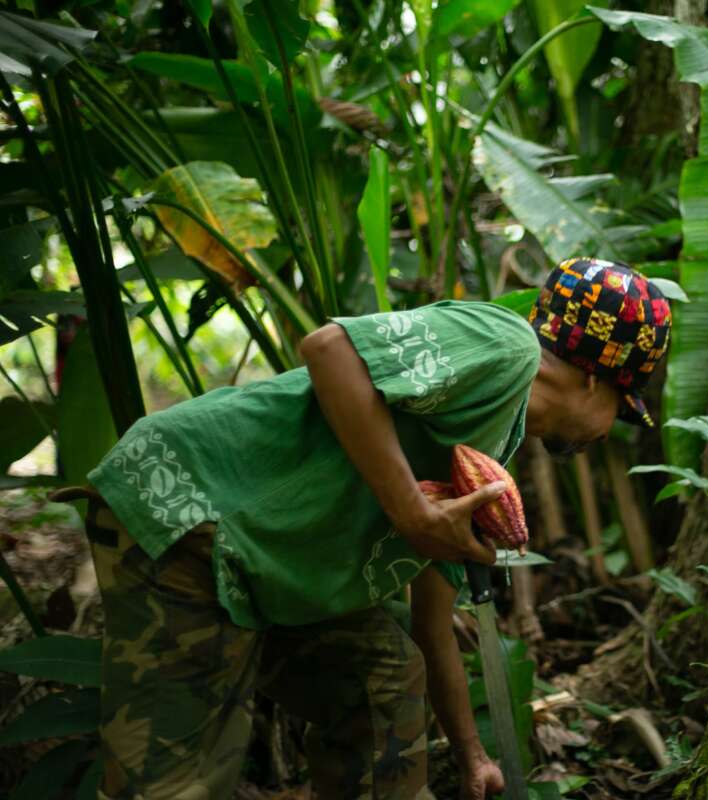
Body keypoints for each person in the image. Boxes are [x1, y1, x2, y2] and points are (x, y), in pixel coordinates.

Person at [52, 257, 671, 800]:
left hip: (261, 551)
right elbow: (329, 348)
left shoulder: (489, 443)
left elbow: (432, 622)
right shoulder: (509, 348)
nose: (608, 430)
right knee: (174, 780)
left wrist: (471, 756)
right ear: (596, 380)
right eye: (623, 409)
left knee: (381, 674)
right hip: (190, 506)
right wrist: (410, 510)